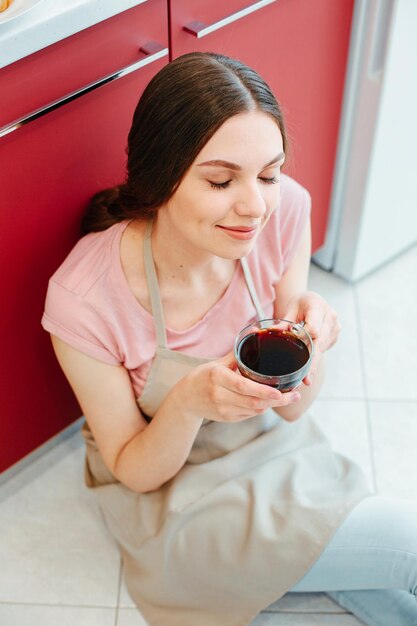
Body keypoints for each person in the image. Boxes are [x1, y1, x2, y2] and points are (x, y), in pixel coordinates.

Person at [41, 52, 417, 626]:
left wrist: (311, 341)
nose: (255, 206)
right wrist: (190, 400)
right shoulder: (83, 298)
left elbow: (293, 413)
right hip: (175, 500)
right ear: (160, 176)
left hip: (272, 448)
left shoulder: (283, 210)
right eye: (221, 180)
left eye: (269, 173)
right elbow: (133, 469)